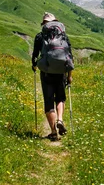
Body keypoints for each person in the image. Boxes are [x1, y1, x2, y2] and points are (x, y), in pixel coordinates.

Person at [31, 12, 74, 141]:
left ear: (44, 24)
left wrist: (34, 66)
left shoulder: (40, 36)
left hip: (46, 72)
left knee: (49, 101)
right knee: (60, 97)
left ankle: (53, 132)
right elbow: (70, 56)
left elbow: (34, 55)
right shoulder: (63, 36)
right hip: (61, 71)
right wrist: (69, 76)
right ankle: (60, 119)